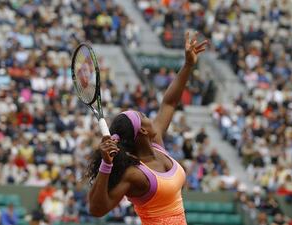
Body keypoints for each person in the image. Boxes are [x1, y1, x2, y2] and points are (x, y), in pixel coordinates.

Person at [85, 32, 208, 224]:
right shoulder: (134, 173)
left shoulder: (156, 143)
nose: (148, 116)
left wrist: (188, 65)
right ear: (142, 131)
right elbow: (96, 209)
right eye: (143, 117)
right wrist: (106, 164)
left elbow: (169, 102)